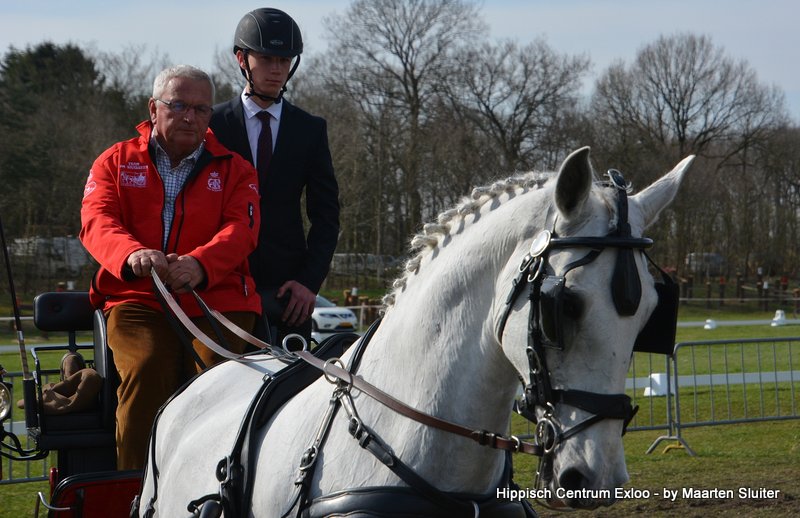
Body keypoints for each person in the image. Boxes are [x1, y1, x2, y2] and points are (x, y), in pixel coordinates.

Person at [80, 65, 261, 470]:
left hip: (217, 299)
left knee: (217, 377)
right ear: (153, 108)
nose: (189, 117)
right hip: (136, 298)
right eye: (178, 105)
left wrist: (201, 264)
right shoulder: (115, 161)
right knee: (147, 368)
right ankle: (135, 489)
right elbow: (97, 219)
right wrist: (131, 255)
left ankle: (214, 486)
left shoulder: (236, 169)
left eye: (200, 109)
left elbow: (242, 229)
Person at [210, 7, 340, 347]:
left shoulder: (310, 129)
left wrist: (309, 282)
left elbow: (326, 216)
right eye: (267, 58)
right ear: (242, 59)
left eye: (284, 60)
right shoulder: (211, 124)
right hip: (220, 283)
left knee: (292, 378)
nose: (277, 69)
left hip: (288, 294)